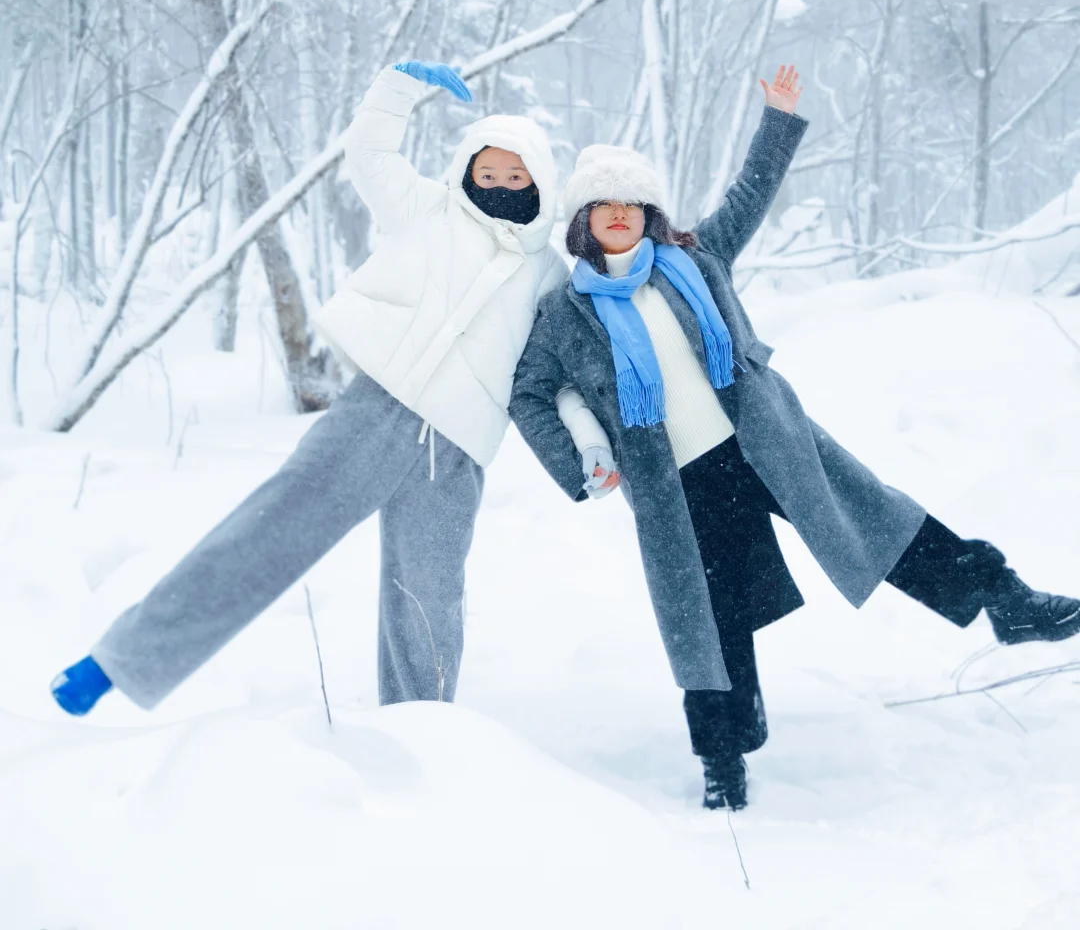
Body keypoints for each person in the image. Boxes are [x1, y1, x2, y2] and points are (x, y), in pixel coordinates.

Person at [510, 65, 1080, 812]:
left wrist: (778, 118)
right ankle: (724, 758)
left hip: (766, 441)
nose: (618, 215)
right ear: (582, 223)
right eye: (602, 206)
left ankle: (1005, 598)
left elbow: (750, 193)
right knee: (708, 619)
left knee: (880, 523)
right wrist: (581, 463)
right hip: (676, 486)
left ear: (649, 214)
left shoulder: (697, 259)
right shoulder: (564, 316)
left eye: (631, 203)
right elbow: (527, 393)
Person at [50, 59, 602, 716]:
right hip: (374, 415)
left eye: (516, 177)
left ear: (538, 183)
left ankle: (425, 739)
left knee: (429, 607)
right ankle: (120, 661)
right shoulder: (427, 209)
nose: (501, 186)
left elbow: (554, 379)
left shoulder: (548, 275)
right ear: (467, 171)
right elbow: (369, 154)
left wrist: (590, 445)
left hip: (454, 456)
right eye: (489, 174)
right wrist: (398, 87)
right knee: (268, 533)